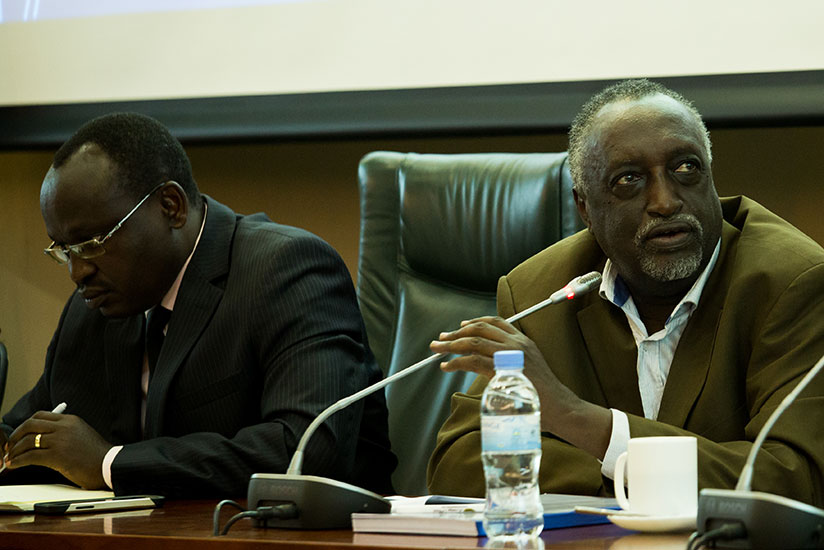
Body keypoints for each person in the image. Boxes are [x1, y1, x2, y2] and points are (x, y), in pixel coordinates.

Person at [427, 79, 824, 505]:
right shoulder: (538, 292)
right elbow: (460, 463)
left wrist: (577, 420)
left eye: (686, 168)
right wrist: (628, 481)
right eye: (629, 179)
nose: (666, 201)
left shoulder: (793, 284)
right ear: (585, 208)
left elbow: (794, 481)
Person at [0, 113, 396, 498]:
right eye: (64, 250)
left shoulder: (286, 271)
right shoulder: (95, 305)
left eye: (92, 244)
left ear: (170, 206)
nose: (78, 270)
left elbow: (308, 450)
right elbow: (33, 439)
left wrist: (111, 463)